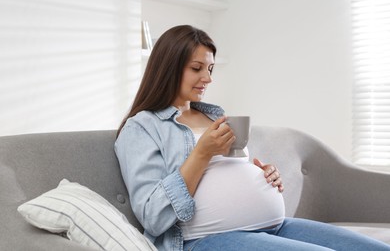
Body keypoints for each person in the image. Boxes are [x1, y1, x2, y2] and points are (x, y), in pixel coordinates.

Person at [115, 25, 390, 251]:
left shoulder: (215, 116)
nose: (207, 78)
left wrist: (264, 176)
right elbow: (152, 215)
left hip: (274, 225)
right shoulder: (142, 128)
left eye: (210, 69)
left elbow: (231, 176)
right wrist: (202, 153)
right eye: (197, 68)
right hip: (204, 239)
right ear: (169, 68)